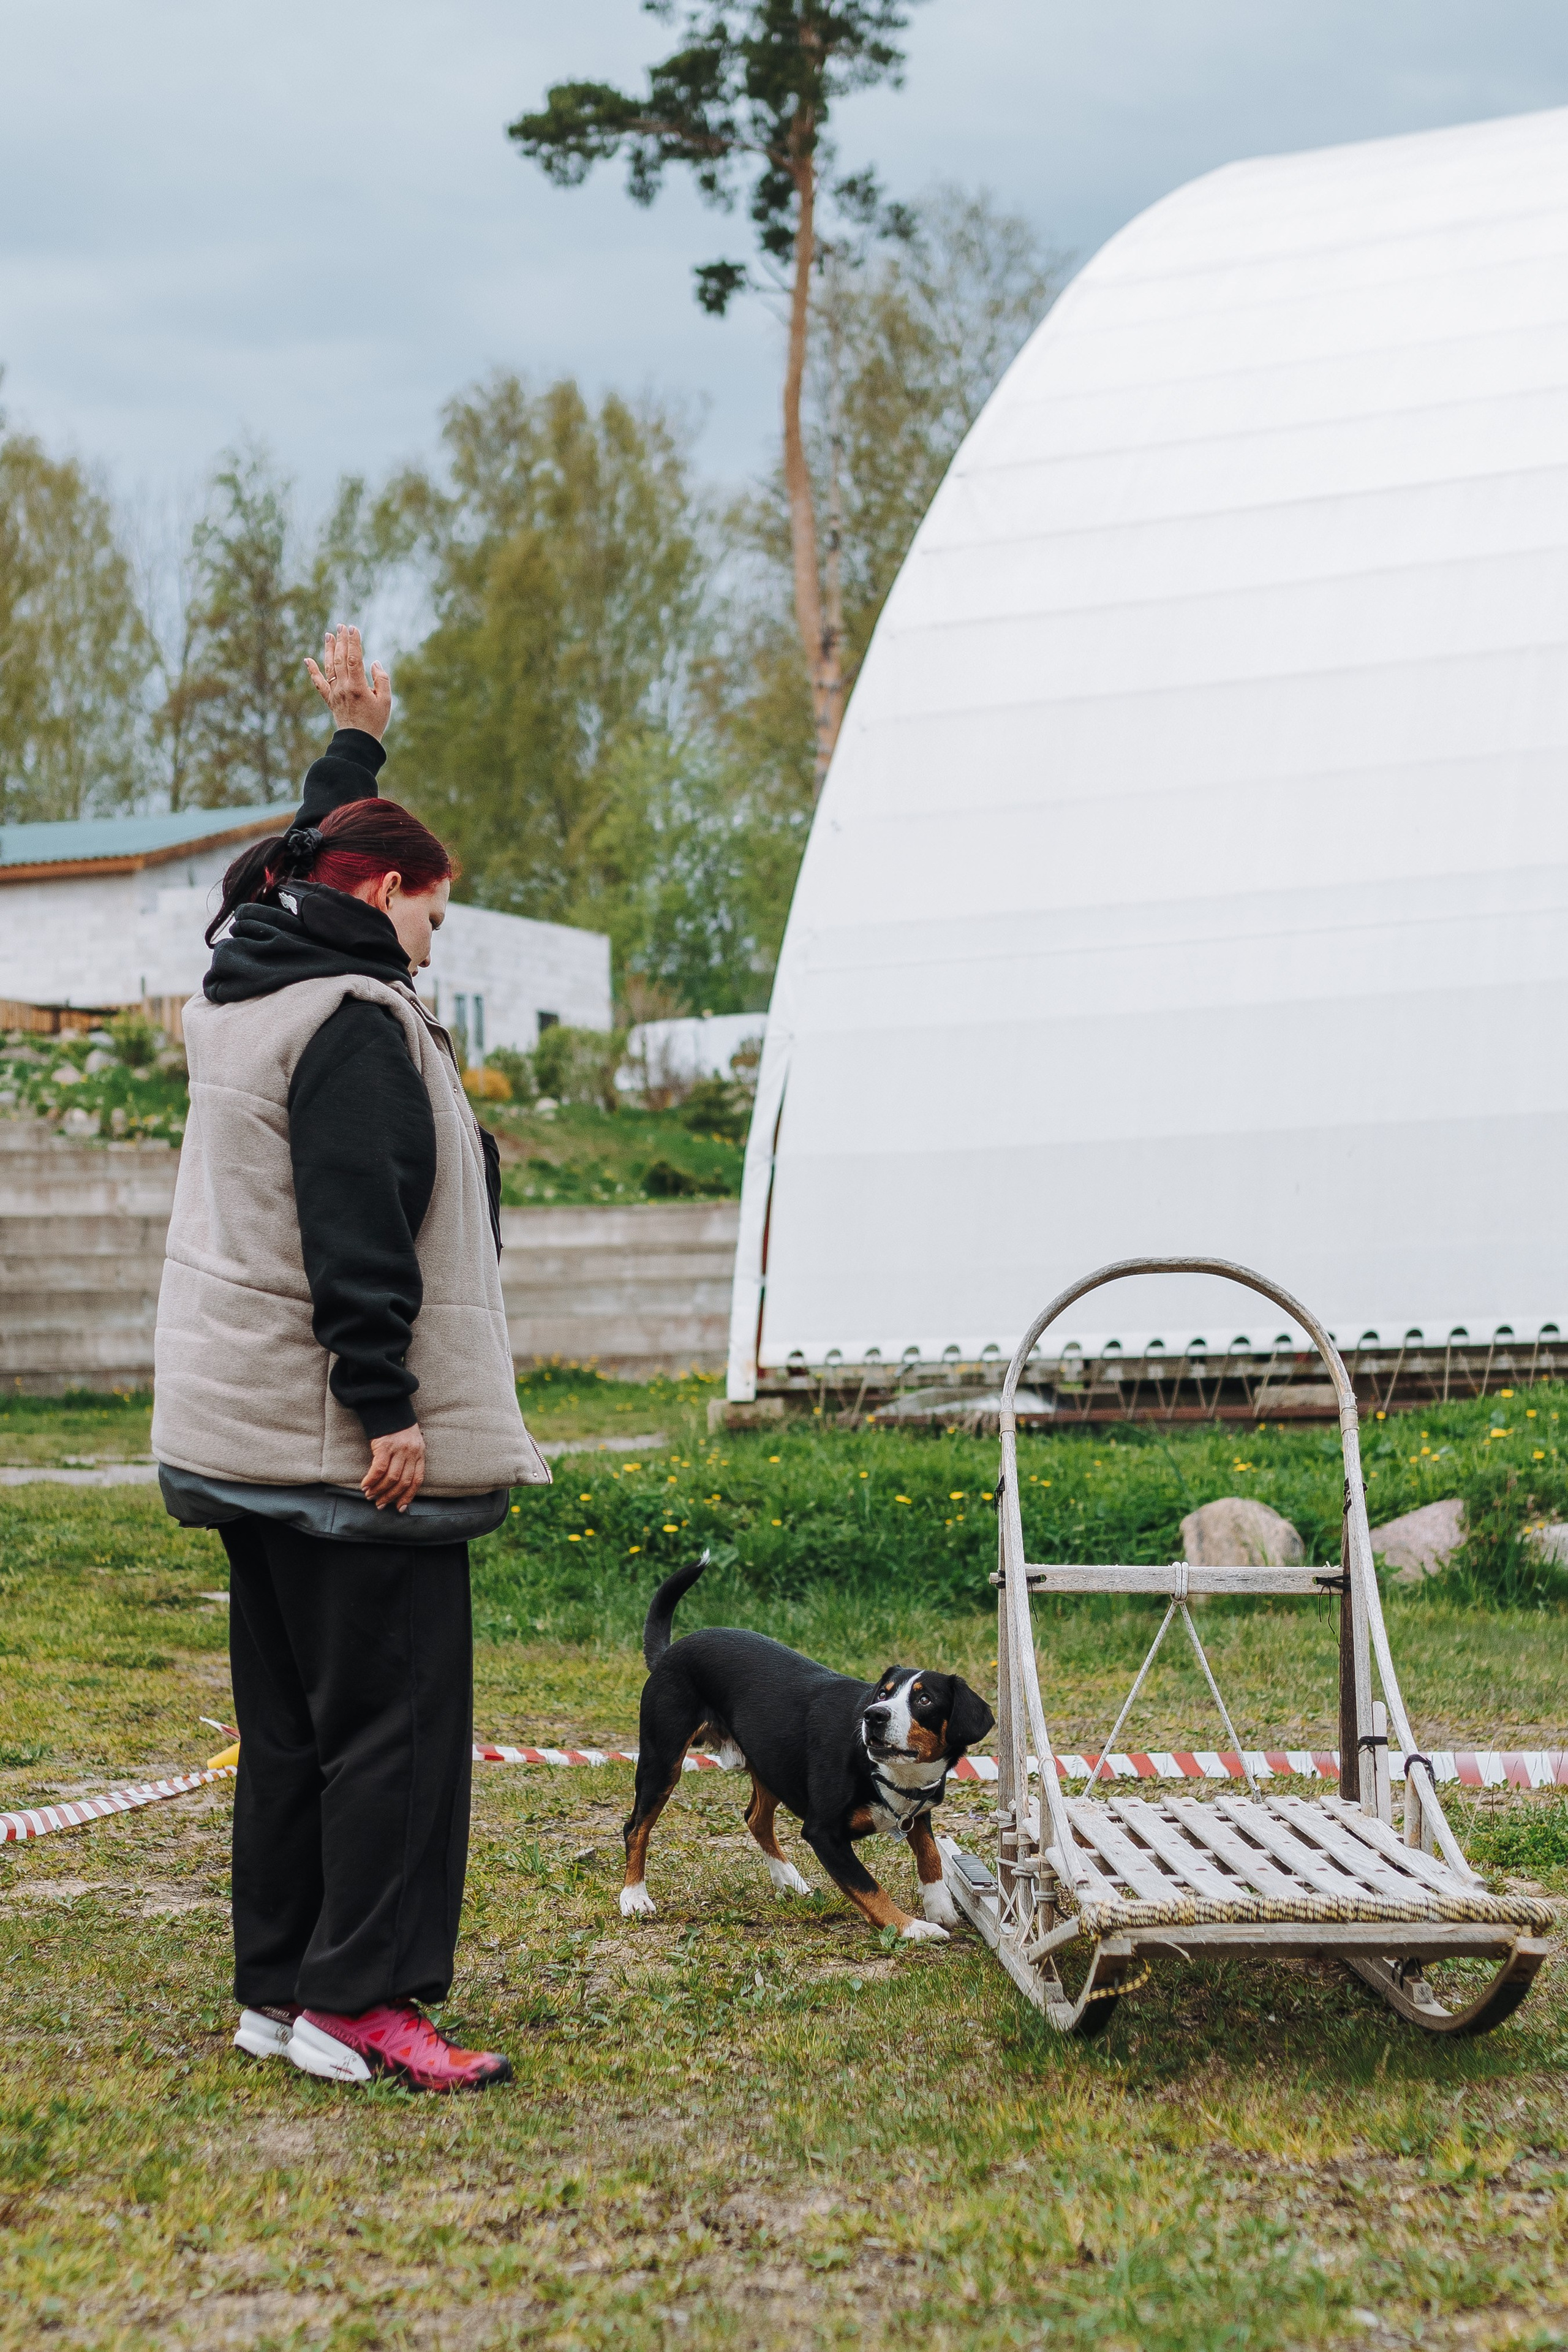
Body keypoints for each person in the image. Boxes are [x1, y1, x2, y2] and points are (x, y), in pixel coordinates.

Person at [153, 627, 550, 2094]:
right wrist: (388, 1408)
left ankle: (277, 1990)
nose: (430, 947)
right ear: (383, 895)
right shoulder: (357, 1019)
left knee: (293, 1727)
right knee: (395, 1729)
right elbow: (359, 1232)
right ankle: (365, 2000)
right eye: (432, 919)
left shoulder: (249, 979)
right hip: (341, 1448)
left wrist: (355, 745)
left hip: (243, 1438)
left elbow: (303, 855)